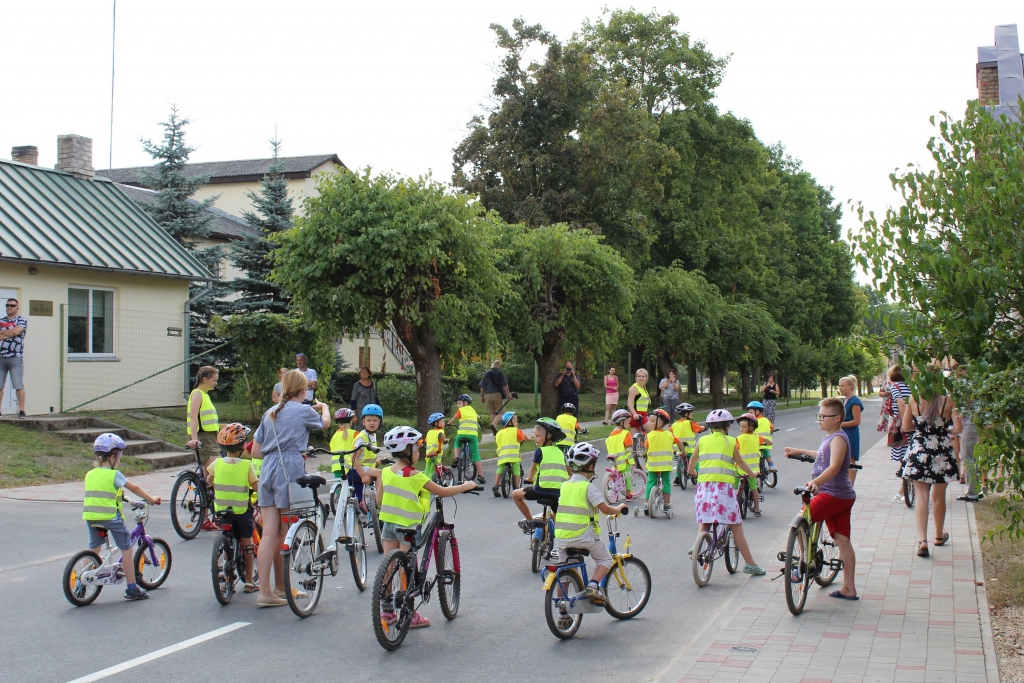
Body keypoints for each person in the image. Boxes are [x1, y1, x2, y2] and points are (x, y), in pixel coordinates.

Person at [376, 425, 478, 628]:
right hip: (409, 529)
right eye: (416, 448)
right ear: (407, 451)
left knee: (389, 567)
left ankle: (387, 612)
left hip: (388, 524)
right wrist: (466, 485)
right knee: (408, 569)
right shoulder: (416, 476)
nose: (419, 452)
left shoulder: (386, 472)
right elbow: (443, 492)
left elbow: (379, 500)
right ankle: (410, 614)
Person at [250, 370, 330, 607]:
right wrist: (323, 407)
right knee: (286, 531)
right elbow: (325, 424)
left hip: (268, 468)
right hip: (290, 467)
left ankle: (267, 590)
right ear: (304, 390)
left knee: (269, 532)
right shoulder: (303, 410)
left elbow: (255, 450)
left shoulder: (270, 413)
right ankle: (280, 586)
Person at [784, 397, 858, 599]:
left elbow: (834, 466)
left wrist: (816, 483)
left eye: (823, 416)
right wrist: (799, 451)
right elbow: (823, 455)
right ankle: (849, 588)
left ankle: (800, 566)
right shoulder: (833, 437)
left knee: (801, 520)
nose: (819, 419)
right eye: (819, 415)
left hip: (832, 494)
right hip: (842, 495)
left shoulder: (838, 439)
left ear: (837, 418)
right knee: (842, 540)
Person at [82, 433, 162, 600]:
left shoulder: (90, 474)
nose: (119, 460)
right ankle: (132, 588)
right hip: (110, 517)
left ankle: (82, 583)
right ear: (112, 457)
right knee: (127, 548)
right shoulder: (114, 474)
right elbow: (135, 488)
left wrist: (120, 495)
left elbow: (102, 491)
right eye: (119, 457)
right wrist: (151, 499)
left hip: (91, 517)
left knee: (94, 549)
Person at [686, 409, 765, 575]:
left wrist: (692, 472)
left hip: (704, 488)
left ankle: (697, 545)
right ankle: (750, 564)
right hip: (723, 490)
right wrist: (753, 474)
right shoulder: (730, 442)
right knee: (736, 527)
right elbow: (740, 462)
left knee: (706, 520)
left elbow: (693, 461)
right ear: (727, 426)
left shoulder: (702, 440)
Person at [556, 442, 630, 604]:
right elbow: (605, 509)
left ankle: (562, 612)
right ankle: (592, 585)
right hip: (583, 536)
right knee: (605, 559)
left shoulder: (565, 486)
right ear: (590, 466)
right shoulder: (588, 487)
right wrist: (618, 508)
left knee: (564, 573)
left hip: (561, 538)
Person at [900, 371, 962, 557]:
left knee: (921, 496)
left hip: (919, 449)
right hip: (942, 449)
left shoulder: (914, 399)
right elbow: (958, 428)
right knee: (939, 496)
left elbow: (906, 427)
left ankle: (922, 540)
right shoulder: (948, 400)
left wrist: (922, 428)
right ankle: (938, 536)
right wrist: (945, 428)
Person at [208, 423, 258, 592]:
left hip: (222, 510)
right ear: (243, 446)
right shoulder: (246, 465)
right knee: (247, 543)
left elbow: (209, 480)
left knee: (226, 537)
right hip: (242, 510)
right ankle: (250, 581)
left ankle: (223, 571)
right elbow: (256, 486)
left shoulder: (217, 463)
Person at [511, 417, 569, 530]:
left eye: (538, 436)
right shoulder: (560, 452)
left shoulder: (540, 451)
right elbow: (568, 470)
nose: (535, 439)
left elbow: (533, 470)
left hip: (540, 490)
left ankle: (530, 521)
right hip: (558, 493)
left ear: (549, 436)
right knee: (559, 522)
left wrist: (529, 478)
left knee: (515, 495)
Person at [186, 367, 221, 513]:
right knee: (218, 471)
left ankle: (205, 516)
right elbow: (193, 417)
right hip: (204, 439)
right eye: (214, 380)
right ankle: (215, 512)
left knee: (208, 478)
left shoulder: (205, 395)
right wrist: (194, 439)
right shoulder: (198, 394)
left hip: (210, 437)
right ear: (205, 379)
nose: (216, 383)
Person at [641, 408, 680, 516]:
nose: (650, 423)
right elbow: (679, 442)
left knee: (650, 482)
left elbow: (646, 449)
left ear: (661, 422)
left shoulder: (649, 435)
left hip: (653, 466)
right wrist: (683, 451)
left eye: (653, 421)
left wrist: (644, 454)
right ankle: (667, 504)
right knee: (666, 482)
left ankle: (646, 503)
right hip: (665, 466)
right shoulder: (669, 434)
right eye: (650, 421)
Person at [736, 413, 771, 517]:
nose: (741, 429)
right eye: (740, 426)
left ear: (751, 427)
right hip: (753, 470)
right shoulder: (757, 437)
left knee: (733, 485)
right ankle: (757, 508)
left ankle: (732, 504)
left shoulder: (738, 438)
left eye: (744, 427)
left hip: (740, 468)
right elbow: (769, 442)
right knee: (754, 488)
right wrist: (767, 443)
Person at [886, 365, 912, 503]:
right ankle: (907, 489)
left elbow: (901, 405)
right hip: (914, 424)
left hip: (902, 427)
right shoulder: (911, 386)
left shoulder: (896, 387)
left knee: (904, 459)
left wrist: (904, 424)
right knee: (909, 457)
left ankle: (904, 490)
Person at [349, 404, 385, 503]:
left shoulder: (372, 435)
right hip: (355, 469)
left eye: (375, 420)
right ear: (363, 422)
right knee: (380, 473)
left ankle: (366, 503)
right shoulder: (362, 437)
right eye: (368, 420)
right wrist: (363, 476)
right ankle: (379, 502)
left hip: (362, 467)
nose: (372, 423)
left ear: (379, 422)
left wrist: (377, 462)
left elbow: (366, 458)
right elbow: (354, 458)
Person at [0, 298, 27, 418]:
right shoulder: (1, 321)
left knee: (18, 385)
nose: (9, 307)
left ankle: (22, 411)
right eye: (7, 305)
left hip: (15, 357)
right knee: (0, 386)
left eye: (12, 305)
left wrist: (5, 333)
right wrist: (11, 333)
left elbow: (16, 332)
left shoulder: (21, 320)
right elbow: (13, 332)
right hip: (1, 357)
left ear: (17, 307)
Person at [451, 394, 485, 484]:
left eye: (459, 403)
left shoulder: (460, 410)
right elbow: (478, 416)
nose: (457, 405)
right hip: (473, 436)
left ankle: (456, 458)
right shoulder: (473, 411)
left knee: (457, 444)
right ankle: (481, 476)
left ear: (465, 403)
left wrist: (449, 423)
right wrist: (480, 417)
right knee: (476, 455)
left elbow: (454, 418)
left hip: (461, 434)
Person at [493, 411, 527, 494]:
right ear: (510, 422)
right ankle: (517, 487)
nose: (517, 422)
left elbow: (497, 440)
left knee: (500, 469)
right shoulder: (516, 430)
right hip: (513, 456)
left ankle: (495, 485)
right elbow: (522, 438)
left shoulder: (499, 433)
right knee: (516, 469)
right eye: (515, 421)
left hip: (502, 456)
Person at [839, 375, 864, 483]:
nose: (840, 388)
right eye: (840, 386)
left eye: (843, 386)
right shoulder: (845, 400)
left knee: (850, 459)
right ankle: (844, 482)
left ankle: (850, 484)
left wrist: (840, 424)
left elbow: (856, 421)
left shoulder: (854, 401)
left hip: (851, 433)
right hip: (843, 433)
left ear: (850, 387)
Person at [479, 360, 512, 434]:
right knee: (501, 412)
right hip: (497, 394)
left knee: (492, 413)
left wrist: (482, 395)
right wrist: (509, 395)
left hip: (487, 395)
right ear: (499, 366)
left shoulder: (486, 373)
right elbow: (504, 385)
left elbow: (482, 386)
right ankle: (494, 425)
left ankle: (494, 431)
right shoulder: (499, 373)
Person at [672, 403, 704, 478]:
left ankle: (677, 479)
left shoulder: (674, 424)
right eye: (691, 414)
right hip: (689, 448)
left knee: (679, 464)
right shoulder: (690, 423)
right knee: (694, 461)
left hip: (677, 449)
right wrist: (704, 427)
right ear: (686, 414)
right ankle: (699, 476)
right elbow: (699, 428)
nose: (692, 415)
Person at [746, 401, 777, 472]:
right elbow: (772, 428)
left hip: (755, 443)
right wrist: (771, 432)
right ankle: (771, 464)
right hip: (765, 443)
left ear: (757, 412)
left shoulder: (752, 421)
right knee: (766, 452)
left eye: (750, 413)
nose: (749, 414)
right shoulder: (766, 420)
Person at [329, 408, 358, 476]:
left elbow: (331, 448)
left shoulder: (335, 435)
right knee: (350, 485)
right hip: (349, 465)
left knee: (339, 485)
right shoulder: (355, 434)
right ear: (351, 421)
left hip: (336, 466)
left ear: (338, 422)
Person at [627, 368, 654, 437]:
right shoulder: (634, 388)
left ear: (646, 378)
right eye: (639, 376)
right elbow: (629, 402)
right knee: (654, 433)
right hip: (638, 416)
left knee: (635, 442)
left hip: (643, 415)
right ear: (636, 377)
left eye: (643, 376)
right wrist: (635, 414)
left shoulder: (643, 388)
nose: (641, 378)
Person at [424, 412, 447, 479]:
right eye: (442, 421)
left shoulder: (429, 432)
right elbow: (441, 437)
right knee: (432, 471)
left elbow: (426, 440)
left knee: (427, 470)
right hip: (436, 454)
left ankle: (424, 484)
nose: (444, 423)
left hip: (428, 454)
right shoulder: (441, 432)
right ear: (436, 423)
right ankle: (430, 486)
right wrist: (445, 440)